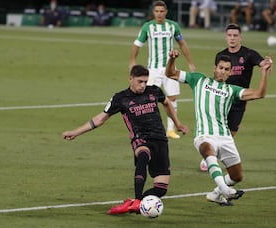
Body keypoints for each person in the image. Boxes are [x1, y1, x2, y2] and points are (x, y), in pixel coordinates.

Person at [62, 65, 188, 215]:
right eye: (140, 81)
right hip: (141, 139)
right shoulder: (120, 98)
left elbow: (167, 103)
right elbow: (100, 119)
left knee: (161, 189)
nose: (143, 85)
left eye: (145, 82)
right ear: (131, 79)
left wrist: (177, 123)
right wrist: (76, 132)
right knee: (143, 155)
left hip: (160, 140)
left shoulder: (154, 91)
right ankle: (136, 200)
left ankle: (133, 203)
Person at [165, 50, 273, 206]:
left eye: (227, 69)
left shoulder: (232, 90)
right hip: (204, 134)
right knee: (208, 150)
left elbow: (259, 94)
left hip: (225, 137)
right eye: (221, 68)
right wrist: (172, 59)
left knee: (237, 176)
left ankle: (215, 194)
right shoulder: (198, 80)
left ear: (230, 73)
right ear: (214, 68)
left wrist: (263, 73)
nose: (223, 72)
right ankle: (224, 189)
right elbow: (171, 73)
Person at [199, 23, 271, 171]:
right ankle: (208, 158)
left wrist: (267, 64)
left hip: (239, 100)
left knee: (230, 133)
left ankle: (216, 155)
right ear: (226, 37)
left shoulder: (249, 54)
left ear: (240, 37)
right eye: (230, 35)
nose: (232, 38)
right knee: (215, 129)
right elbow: (215, 76)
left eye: (235, 35)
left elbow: (261, 62)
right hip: (220, 97)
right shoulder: (221, 55)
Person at [129, 0, 195, 139]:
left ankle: (171, 130)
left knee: (172, 97)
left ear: (166, 12)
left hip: (170, 68)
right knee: (147, 97)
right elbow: (137, 44)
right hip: (153, 69)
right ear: (153, 12)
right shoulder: (148, 27)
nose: (159, 14)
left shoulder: (173, 26)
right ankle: (143, 127)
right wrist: (132, 61)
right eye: (156, 11)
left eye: (161, 11)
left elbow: (182, 44)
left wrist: (190, 62)